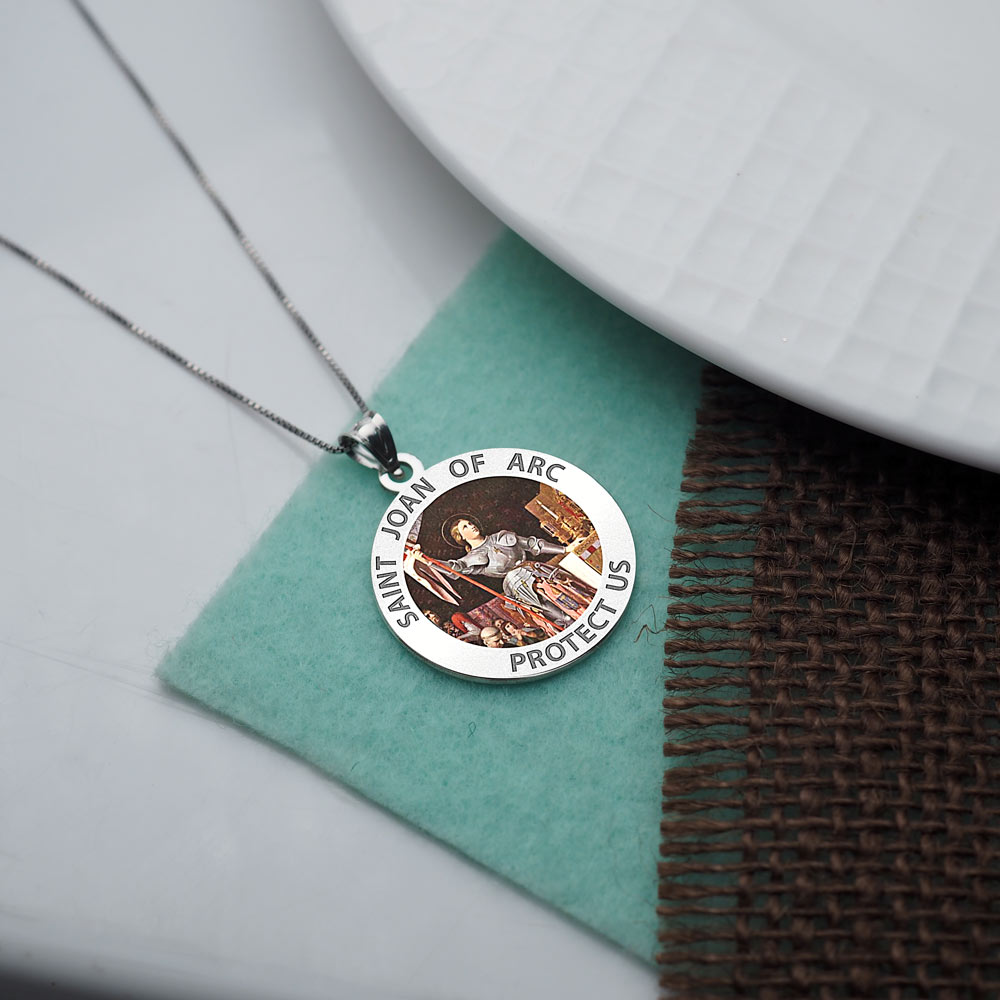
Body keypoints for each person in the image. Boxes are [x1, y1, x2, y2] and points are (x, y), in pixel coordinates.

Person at [412, 516, 579, 629]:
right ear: (460, 537)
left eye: (470, 523)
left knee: (575, 595)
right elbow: (454, 568)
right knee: (562, 616)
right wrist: (428, 561)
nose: (471, 526)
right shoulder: (473, 558)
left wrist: (565, 549)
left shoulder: (501, 536)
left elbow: (532, 544)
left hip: (539, 570)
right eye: (465, 527)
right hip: (518, 586)